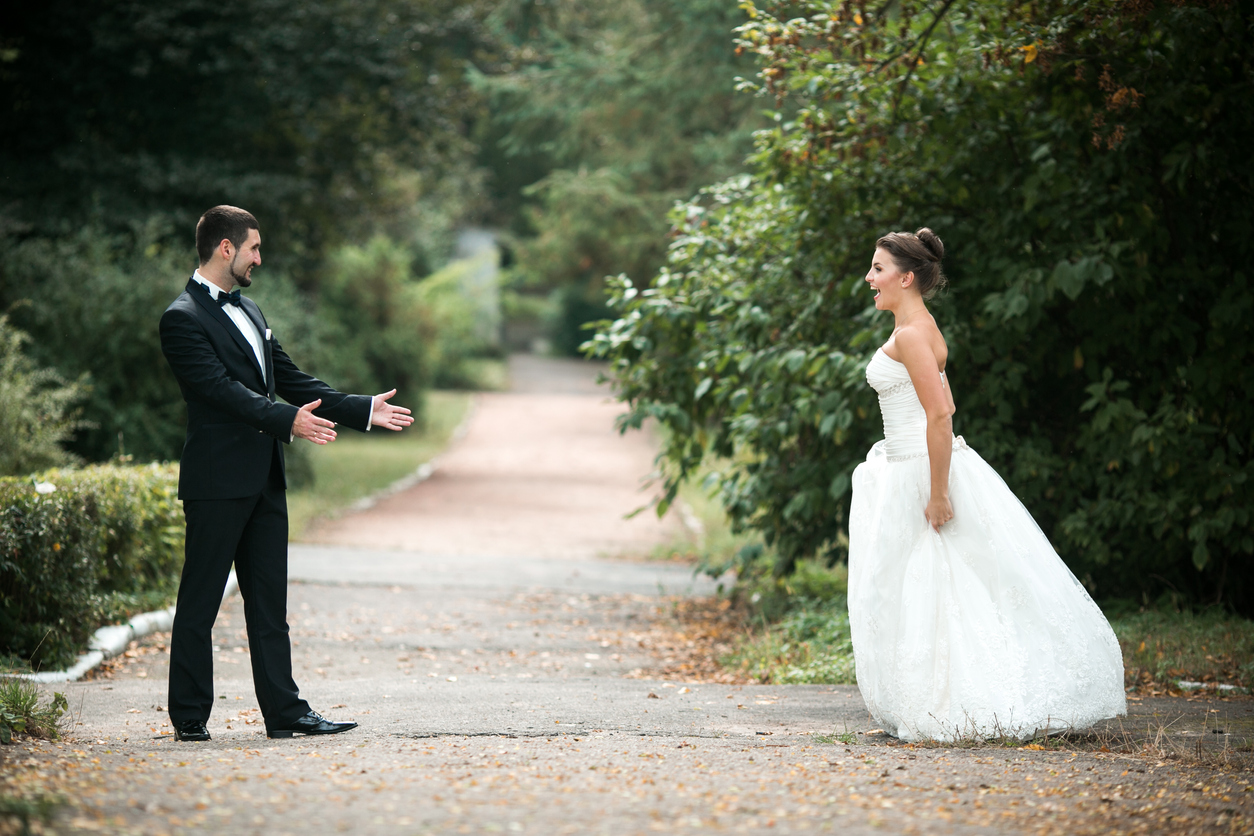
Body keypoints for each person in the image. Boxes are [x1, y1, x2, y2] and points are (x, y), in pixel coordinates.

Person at [846, 228, 1126, 743]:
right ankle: (926, 698)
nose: (869, 278)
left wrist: (936, 491)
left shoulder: (911, 334)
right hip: (910, 463)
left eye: (878, 269)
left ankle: (949, 704)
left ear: (906, 277)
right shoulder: (920, 327)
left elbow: (939, 415)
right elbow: (941, 406)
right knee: (930, 586)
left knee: (934, 584)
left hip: (921, 469)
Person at [159, 205, 414, 741]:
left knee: (270, 606)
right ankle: (189, 717)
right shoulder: (181, 318)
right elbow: (219, 392)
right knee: (200, 602)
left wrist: (361, 408)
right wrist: (287, 422)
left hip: (265, 480)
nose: (259, 257)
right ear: (224, 248)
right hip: (215, 484)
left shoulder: (250, 309)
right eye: (253, 247)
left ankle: (285, 713)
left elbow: (293, 380)